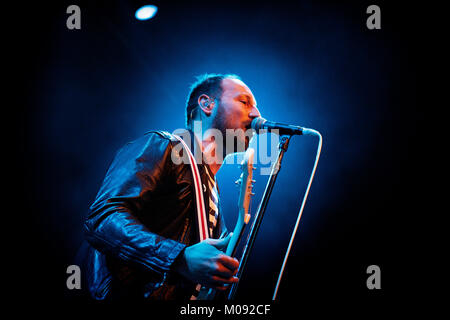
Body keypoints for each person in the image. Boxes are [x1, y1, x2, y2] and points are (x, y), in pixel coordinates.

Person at [82, 73, 261, 300]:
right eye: (245, 102)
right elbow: (102, 218)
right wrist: (179, 258)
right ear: (207, 104)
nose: (256, 114)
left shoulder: (213, 199)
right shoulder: (162, 145)